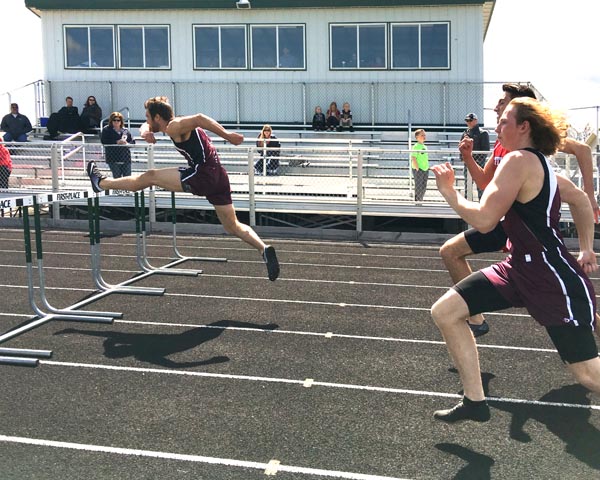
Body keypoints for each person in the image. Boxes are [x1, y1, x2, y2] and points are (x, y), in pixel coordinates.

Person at [430, 97, 600, 423]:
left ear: (524, 127)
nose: (498, 125)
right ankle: (475, 402)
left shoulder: (519, 161)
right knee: (446, 311)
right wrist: (587, 248)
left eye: (505, 120)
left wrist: (449, 192)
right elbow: (579, 199)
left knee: (589, 376)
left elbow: (484, 220)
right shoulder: (536, 164)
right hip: (518, 268)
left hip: (550, 276)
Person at [439, 83, 599, 337]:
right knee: (450, 251)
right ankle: (475, 317)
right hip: (502, 220)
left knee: (562, 293)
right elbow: (484, 183)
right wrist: (469, 158)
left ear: (522, 116)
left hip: (523, 225)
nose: (496, 107)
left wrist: (590, 198)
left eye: (503, 104)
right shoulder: (504, 146)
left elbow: (580, 151)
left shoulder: (529, 156)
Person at [86, 96, 280, 281]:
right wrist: (145, 131)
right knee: (232, 225)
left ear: (158, 118)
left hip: (203, 174)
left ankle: (101, 183)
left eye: (147, 116)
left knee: (150, 177)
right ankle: (263, 249)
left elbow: (200, 118)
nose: (144, 120)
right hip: (219, 176)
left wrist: (227, 135)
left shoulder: (174, 126)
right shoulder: (169, 124)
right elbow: (145, 126)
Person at [461, 112, 489, 200]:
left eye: (470, 120)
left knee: (480, 186)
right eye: (467, 120)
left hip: (478, 163)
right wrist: (464, 159)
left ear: (476, 121)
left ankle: (482, 204)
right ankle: (468, 205)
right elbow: (461, 147)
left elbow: (485, 150)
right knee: (467, 185)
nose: (468, 122)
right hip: (468, 164)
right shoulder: (465, 133)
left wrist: (477, 162)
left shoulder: (483, 133)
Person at [101, 111, 135, 178]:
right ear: (111, 121)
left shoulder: (125, 130)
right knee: (117, 177)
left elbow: (132, 142)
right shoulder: (107, 129)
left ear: (121, 121)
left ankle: (127, 188)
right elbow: (104, 141)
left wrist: (127, 143)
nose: (116, 122)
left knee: (128, 178)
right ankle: (117, 189)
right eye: (114, 120)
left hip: (125, 157)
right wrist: (116, 142)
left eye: (118, 120)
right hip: (113, 157)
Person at [411, 129, 429, 203]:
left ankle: (421, 199)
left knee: (424, 186)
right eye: (422, 135)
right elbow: (413, 157)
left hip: (425, 169)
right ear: (417, 137)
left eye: (424, 135)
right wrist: (417, 168)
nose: (424, 136)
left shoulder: (425, 146)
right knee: (419, 185)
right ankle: (417, 200)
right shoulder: (416, 146)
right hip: (419, 169)